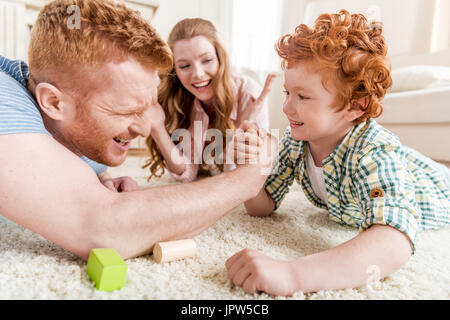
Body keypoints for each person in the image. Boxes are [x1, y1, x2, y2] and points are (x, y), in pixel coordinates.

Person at [0, 0, 277, 261]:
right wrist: (248, 178)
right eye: (127, 111)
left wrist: (95, 176)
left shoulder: (58, 106)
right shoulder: (4, 101)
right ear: (53, 102)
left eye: (147, 107)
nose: (146, 128)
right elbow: (103, 228)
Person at [225, 10, 450, 296]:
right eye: (287, 93)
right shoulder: (297, 141)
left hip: (437, 183)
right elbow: (262, 207)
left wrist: (292, 274)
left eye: (303, 96)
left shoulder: (375, 151)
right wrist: (251, 166)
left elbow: (393, 241)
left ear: (356, 106)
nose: (286, 108)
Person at [144, 18, 276, 182]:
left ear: (220, 59)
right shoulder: (179, 99)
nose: (198, 74)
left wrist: (244, 128)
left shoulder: (248, 93)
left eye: (207, 60)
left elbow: (249, 177)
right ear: (175, 70)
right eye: (185, 66)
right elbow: (186, 173)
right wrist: (157, 128)